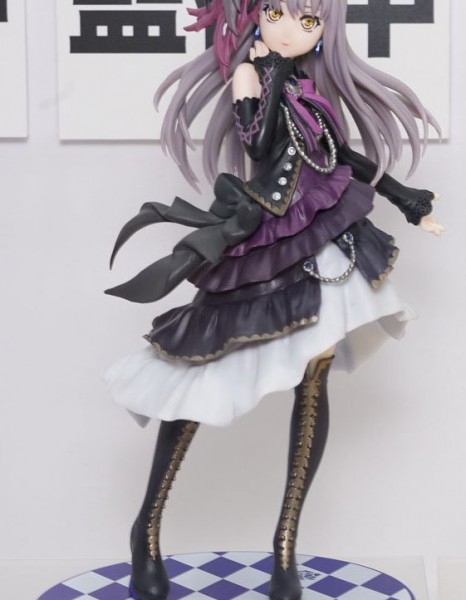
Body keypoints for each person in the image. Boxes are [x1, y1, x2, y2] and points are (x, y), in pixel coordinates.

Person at [103, 1, 445, 599]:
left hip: (324, 230)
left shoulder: (310, 88)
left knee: (314, 377)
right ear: (253, 16)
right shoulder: (249, 75)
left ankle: (284, 549)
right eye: (279, 13)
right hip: (267, 234)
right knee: (199, 374)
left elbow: (342, 157)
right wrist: (276, 74)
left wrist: (406, 199)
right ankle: (145, 530)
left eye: (309, 22)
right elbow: (257, 146)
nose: (292, 30)